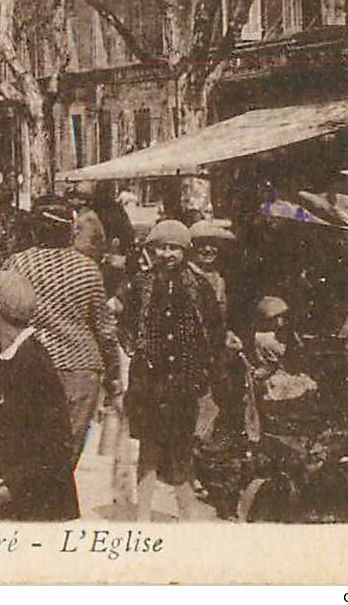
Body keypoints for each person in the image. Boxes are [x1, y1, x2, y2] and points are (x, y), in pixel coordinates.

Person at [118, 219, 224, 521]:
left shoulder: (198, 286)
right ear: (152, 250)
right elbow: (123, 321)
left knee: (181, 450)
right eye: (162, 248)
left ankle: (186, 513)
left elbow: (214, 330)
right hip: (148, 381)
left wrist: (204, 371)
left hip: (183, 381)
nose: (167, 254)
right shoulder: (139, 283)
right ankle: (142, 514)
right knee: (148, 450)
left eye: (174, 249)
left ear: (184, 252)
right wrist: (134, 347)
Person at [5, 199, 123, 465]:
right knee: (66, 451)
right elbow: (104, 329)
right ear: (71, 232)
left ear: (34, 230)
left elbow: (2, 313)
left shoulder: (18, 264)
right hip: (80, 368)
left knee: (30, 445)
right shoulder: (87, 269)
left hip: (31, 364)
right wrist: (113, 375)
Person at [0, 271, 80, 521]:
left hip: (32, 504)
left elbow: (54, 445)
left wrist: (12, 487)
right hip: (4, 493)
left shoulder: (33, 365)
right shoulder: (3, 356)